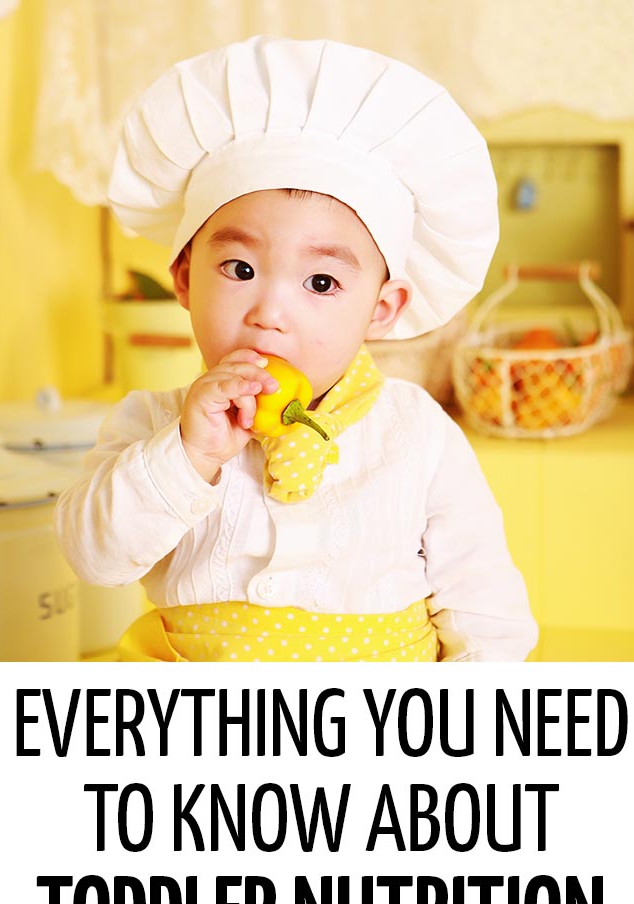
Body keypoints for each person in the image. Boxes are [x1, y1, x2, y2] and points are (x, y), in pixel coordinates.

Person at [55, 35, 538, 663]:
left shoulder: (417, 433)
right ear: (183, 277)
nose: (269, 314)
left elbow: (487, 609)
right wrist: (186, 454)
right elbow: (95, 558)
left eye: (321, 282)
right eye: (238, 268)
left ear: (382, 309)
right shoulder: (153, 424)